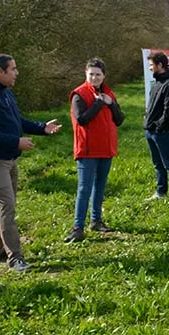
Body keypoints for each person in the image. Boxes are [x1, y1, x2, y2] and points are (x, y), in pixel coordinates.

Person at [0, 53, 61, 272]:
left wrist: (41, 128)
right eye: (13, 69)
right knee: (6, 207)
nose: (17, 73)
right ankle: (14, 257)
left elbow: (16, 121)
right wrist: (16, 141)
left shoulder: (5, 92)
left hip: (8, 157)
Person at [65, 57, 125, 243]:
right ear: (85, 73)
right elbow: (82, 119)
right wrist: (99, 103)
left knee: (100, 186)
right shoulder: (79, 94)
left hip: (106, 149)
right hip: (87, 150)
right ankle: (77, 227)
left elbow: (119, 120)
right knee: (84, 188)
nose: (94, 78)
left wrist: (111, 104)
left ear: (104, 76)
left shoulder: (109, 94)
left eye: (98, 74)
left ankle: (96, 220)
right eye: (91, 74)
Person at [144, 51, 169, 203]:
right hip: (150, 131)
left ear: (160, 65)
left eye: (152, 65)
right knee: (157, 164)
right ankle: (161, 192)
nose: (150, 68)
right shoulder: (157, 83)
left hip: (162, 132)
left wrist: (158, 126)